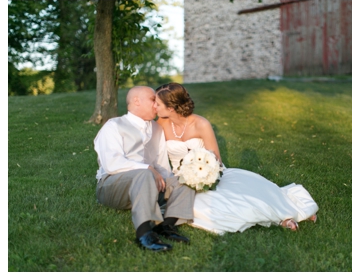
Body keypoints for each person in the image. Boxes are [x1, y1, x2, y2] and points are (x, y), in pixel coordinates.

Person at [154, 83, 318, 234]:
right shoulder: (161, 123)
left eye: (158, 104)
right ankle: (279, 218)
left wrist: (201, 178)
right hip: (179, 177)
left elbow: (215, 158)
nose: (154, 106)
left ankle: (284, 215)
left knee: (240, 198)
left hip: (209, 174)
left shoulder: (200, 124)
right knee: (199, 207)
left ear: (171, 108)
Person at [93, 86, 196, 252]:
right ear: (136, 101)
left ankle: (167, 226)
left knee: (184, 180)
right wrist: (147, 168)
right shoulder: (113, 126)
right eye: (152, 100)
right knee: (144, 174)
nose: (157, 105)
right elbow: (112, 163)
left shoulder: (157, 129)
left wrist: (171, 185)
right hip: (112, 186)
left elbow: (161, 165)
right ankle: (144, 233)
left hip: (148, 185)